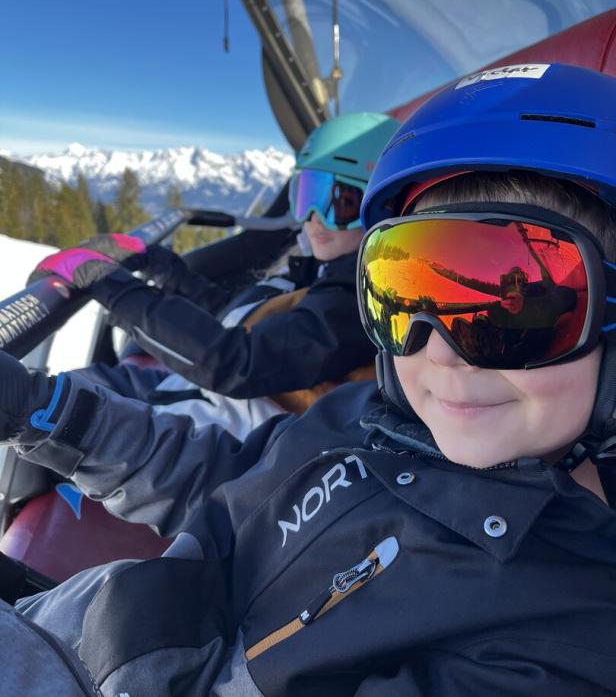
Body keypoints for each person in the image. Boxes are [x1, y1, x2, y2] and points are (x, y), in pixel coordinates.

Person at [0, 62, 615, 695]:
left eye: (517, 312)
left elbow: (237, 364)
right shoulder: (367, 417)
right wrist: (39, 409)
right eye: (404, 296)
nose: (443, 354)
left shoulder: (559, 639)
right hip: (61, 628)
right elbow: (224, 482)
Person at [28, 113, 398, 436]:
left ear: (382, 209)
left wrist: (111, 287)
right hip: (215, 405)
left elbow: (241, 362)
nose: (315, 217)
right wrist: (163, 267)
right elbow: (244, 318)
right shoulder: (324, 268)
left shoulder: (360, 298)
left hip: (243, 439)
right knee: (74, 387)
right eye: (306, 196)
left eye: (340, 202)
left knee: (52, 407)